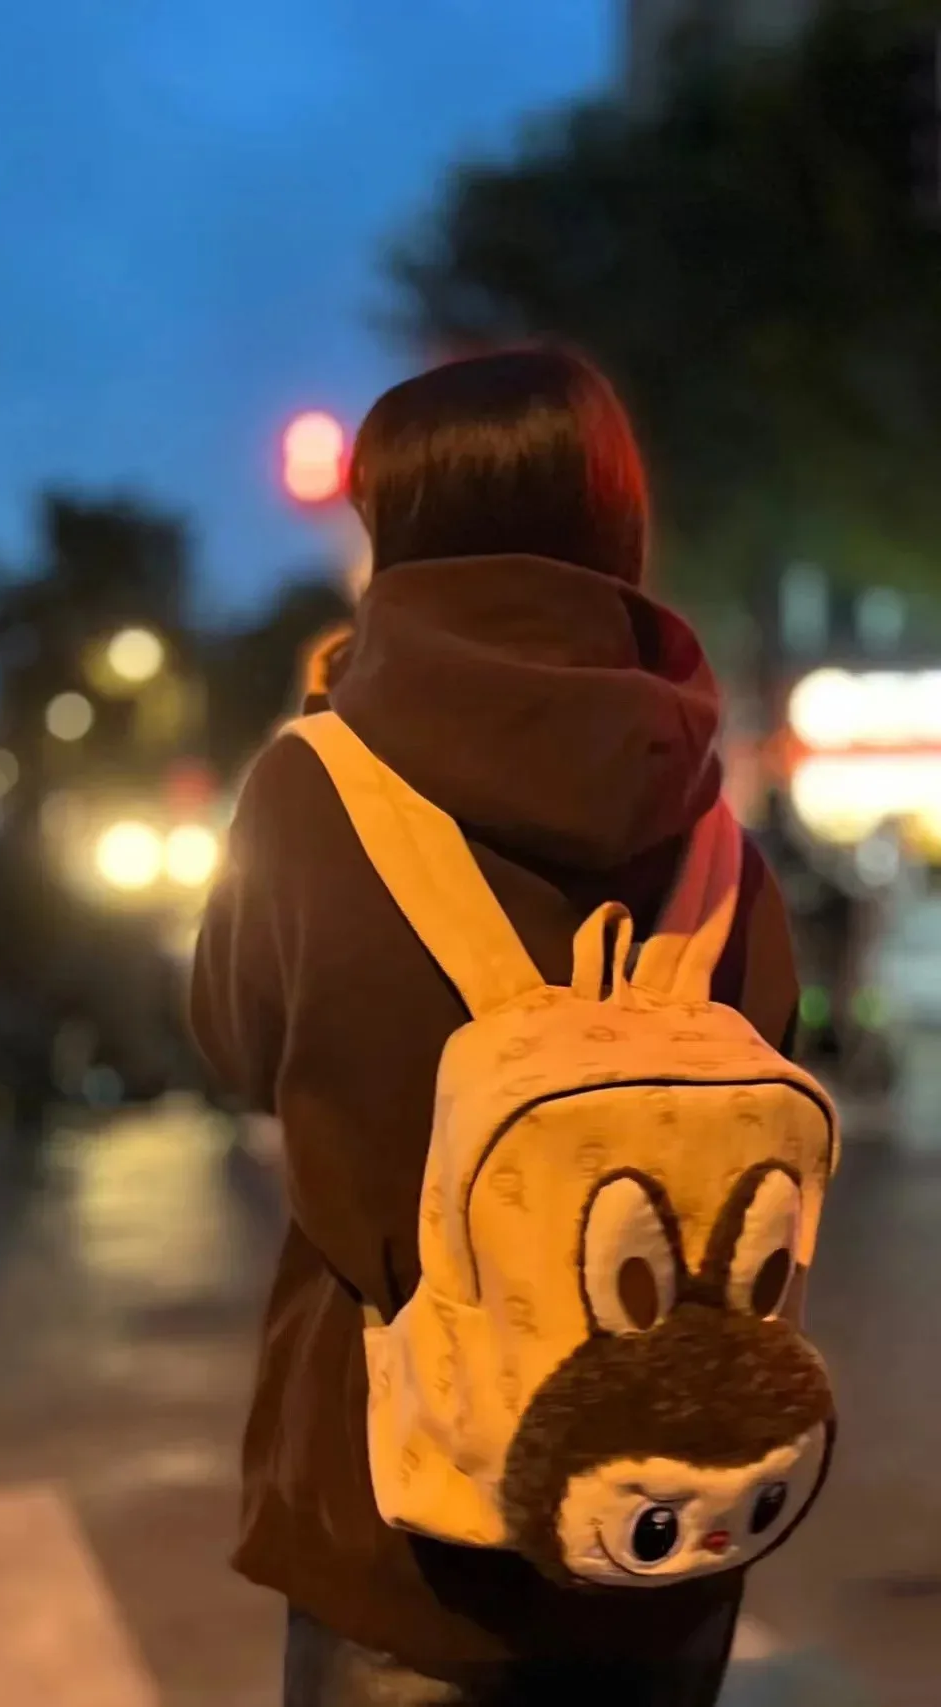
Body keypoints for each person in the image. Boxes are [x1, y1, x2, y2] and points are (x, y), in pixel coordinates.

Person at [190, 345, 800, 1706]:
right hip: (666, 1525)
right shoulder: (708, 824)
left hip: (400, 1524)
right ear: (617, 525)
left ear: (393, 535)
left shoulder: (314, 787)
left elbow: (232, 1040)